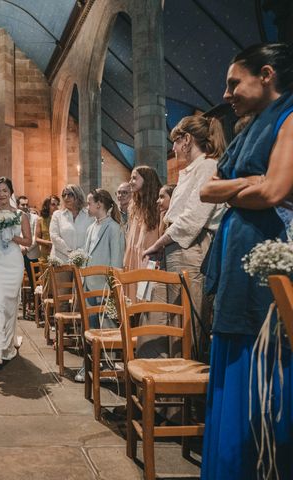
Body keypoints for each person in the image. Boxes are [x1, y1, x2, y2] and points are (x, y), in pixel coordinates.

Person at [199, 43, 293, 479]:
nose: (228, 91)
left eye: (235, 82)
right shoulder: (246, 130)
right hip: (240, 260)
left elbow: (274, 193)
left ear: (267, 75)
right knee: (231, 353)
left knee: (260, 360)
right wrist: (250, 181)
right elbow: (206, 190)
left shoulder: (289, 118)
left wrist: (249, 185)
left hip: (269, 261)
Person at [142, 116, 226, 359]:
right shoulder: (191, 170)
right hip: (177, 247)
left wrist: (160, 242)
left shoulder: (208, 166)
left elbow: (193, 217)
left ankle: (185, 385)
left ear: (187, 139)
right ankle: (167, 382)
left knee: (187, 318)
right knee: (169, 315)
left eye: (176, 142)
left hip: (193, 248)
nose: (174, 148)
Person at [74, 188, 125, 382]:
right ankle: (90, 364)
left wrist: (113, 289)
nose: (87, 206)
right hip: (88, 284)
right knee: (90, 328)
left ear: (99, 204)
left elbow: (116, 263)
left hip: (103, 285)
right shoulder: (91, 227)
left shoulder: (113, 228)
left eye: (89, 203)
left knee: (106, 327)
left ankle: (108, 366)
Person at [0, 178, 32, 369]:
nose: (1, 194)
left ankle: (7, 346)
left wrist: (13, 237)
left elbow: (28, 241)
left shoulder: (21, 215)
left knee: (10, 306)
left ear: (11, 192)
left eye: (5, 190)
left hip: (13, 263)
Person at [123, 166, 162, 300]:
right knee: (132, 302)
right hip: (133, 257)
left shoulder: (157, 205)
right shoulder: (134, 205)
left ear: (147, 180)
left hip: (148, 257)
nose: (130, 181)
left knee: (147, 300)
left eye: (134, 178)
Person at [49, 184, 92, 264]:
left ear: (78, 195)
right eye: (64, 195)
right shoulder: (57, 215)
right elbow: (54, 236)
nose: (66, 198)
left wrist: (79, 255)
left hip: (82, 261)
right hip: (60, 261)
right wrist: (71, 253)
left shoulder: (89, 215)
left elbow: (91, 237)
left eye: (70, 194)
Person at [17, 195, 39, 302]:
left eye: (26, 204)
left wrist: (26, 249)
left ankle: (37, 306)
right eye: (22, 204)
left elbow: (36, 236)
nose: (25, 206)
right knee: (17, 279)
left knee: (33, 281)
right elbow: (16, 234)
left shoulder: (35, 218)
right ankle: (20, 301)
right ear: (18, 205)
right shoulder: (15, 218)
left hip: (32, 253)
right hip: (18, 252)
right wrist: (21, 248)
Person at [35, 195, 60, 260]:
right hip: (45, 256)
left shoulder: (61, 219)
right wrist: (49, 243)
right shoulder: (40, 220)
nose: (56, 207)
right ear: (47, 206)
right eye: (53, 204)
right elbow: (37, 239)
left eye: (58, 204)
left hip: (59, 255)